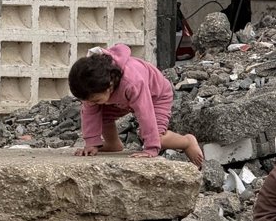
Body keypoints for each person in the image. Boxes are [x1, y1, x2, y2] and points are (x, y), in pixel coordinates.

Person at [69, 44, 204, 166]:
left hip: (156, 95)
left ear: (109, 86)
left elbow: (144, 111)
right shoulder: (93, 88)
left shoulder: (132, 82)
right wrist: (91, 143)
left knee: (158, 138)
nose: (91, 103)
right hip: (123, 99)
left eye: (96, 100)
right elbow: (90, 113)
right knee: (100, 113)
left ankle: (187, 142)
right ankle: (113, 143)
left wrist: (151, 147)